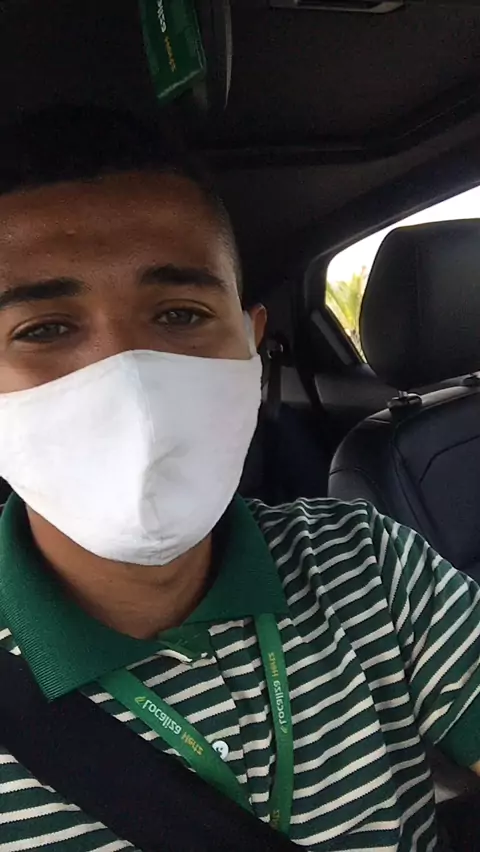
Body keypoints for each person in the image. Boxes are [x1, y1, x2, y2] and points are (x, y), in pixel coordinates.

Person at [0, 105, 478, 852]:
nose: (129, 377)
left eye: (180, 315)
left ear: (252, 351)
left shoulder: (366, 562)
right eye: (45, 330)